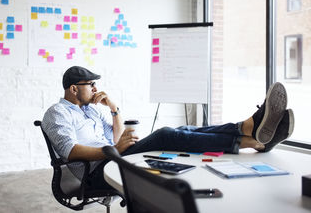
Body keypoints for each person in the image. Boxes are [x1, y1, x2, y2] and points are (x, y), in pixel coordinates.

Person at [42, 66, 294, 190]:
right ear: (74, 89)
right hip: (96, 173)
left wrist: (114, 109)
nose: (96, 89)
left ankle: (252, 134)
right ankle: (251, 133)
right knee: (165, 134)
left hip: (113, 158)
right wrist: (113, 149)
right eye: (91, 85)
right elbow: (71, 151)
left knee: (182, 129)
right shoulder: (57, 113)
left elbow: (115, 138)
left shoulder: (92, 110)